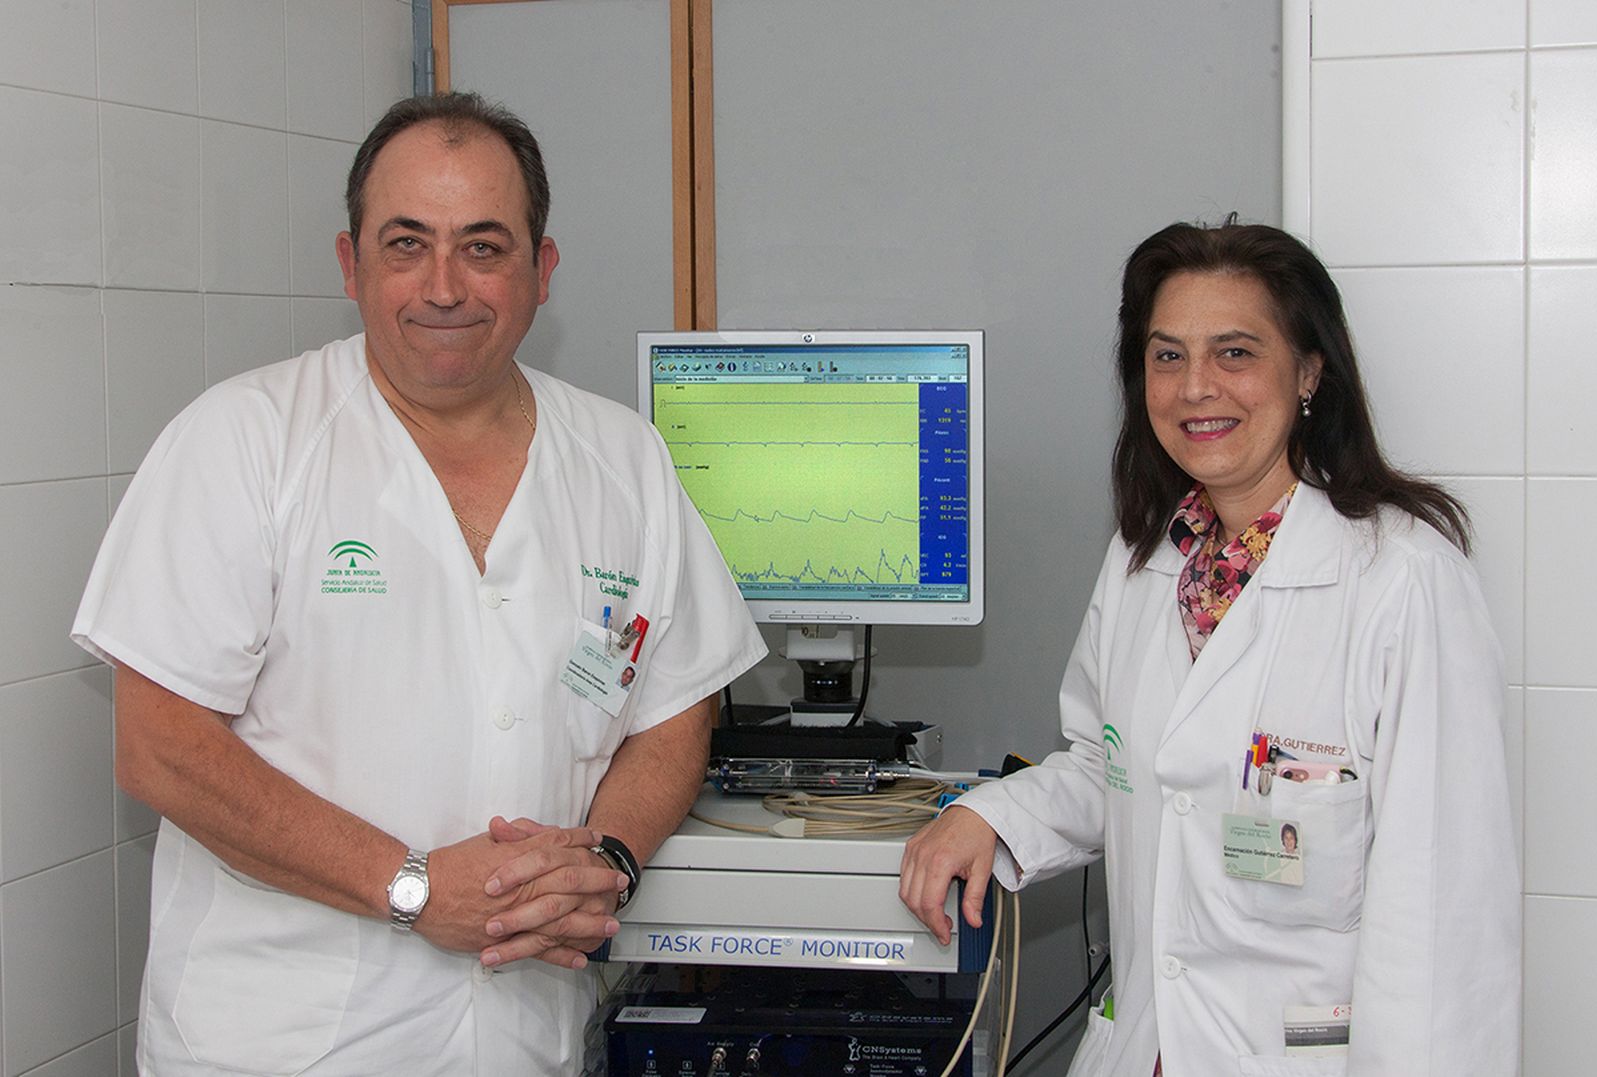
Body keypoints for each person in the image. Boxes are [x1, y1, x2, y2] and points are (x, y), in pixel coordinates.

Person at [72, 93, 766, 1076]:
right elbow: (159, 749)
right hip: (283, 1042)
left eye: (484, 247)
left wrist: (605, 859)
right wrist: (406, 886)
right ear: (352, 265)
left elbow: (673, 708)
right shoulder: (247, 441)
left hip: (524, 1035)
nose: (445, 287)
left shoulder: (624, 459)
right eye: (407, 244)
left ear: (542, 270)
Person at [899, 220, 1518, 1075]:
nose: (1195, 388)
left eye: (1234, 353)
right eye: (1166, 356)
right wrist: (990, 816)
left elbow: (1446, 913)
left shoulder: (1403, 580)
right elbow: (1108, 765)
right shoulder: (1146, 557)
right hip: (1145, 1046)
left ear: (1308, 371)